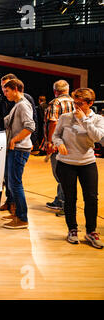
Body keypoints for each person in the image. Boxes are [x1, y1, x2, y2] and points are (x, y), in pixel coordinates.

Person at [53, 88, 104, 248]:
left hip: (87, 163)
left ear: (90, 103)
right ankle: (72, 230)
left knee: (91, 199)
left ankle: (91, 231)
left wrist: (84, 120)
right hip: (66, 164)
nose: (76, 106)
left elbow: (97, 138)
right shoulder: (65, 117)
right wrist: (59, 144)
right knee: (70, 198)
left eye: (80, 103)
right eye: (74, 102)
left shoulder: (97, 119)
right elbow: (56, 135)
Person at [0, 74, 38, 212]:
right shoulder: (17, 105)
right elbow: (5, 122)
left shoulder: (23, 105)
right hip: (16, 149)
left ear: (15, 89)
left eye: (7, 91)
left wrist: (15, 139)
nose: (5, 94)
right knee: (12, 182)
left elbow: (30, 126)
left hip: (19, 149)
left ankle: (21, 217)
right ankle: (16, 213)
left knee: (15, 184)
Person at [42, 80, 74, 214]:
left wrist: (50, 142)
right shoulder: (74, 102)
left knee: (59, 174)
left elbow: (53, 123)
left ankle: (63, 203)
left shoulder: (55, 103)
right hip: (72, 143)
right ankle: (60, 199)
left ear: (55, 91)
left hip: (58, 143)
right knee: (66, 173)